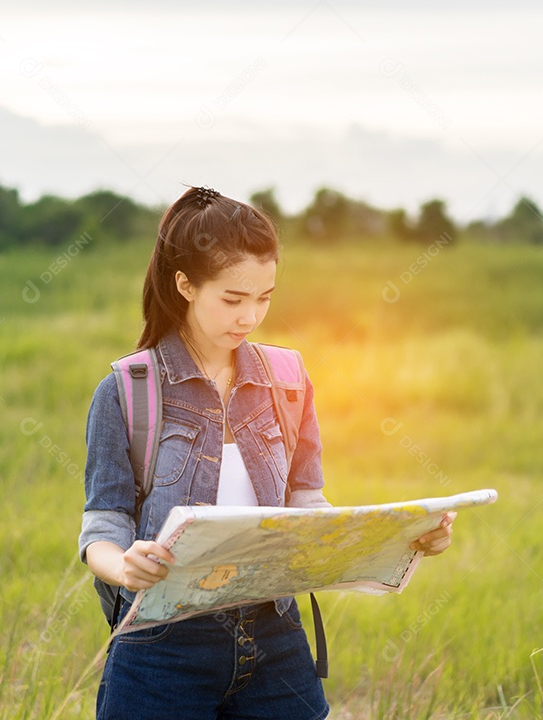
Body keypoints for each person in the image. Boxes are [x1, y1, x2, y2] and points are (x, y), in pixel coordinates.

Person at [78, 186, 457, 720]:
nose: (250, 316)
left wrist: (405, 538)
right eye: (233, 299)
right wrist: (123, 566)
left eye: (264, 297)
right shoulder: (127, 390)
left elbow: (308, 505)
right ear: (185, 285)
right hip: (162, 646)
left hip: (275, 638)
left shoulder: (288, 380)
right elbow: (103, 520)